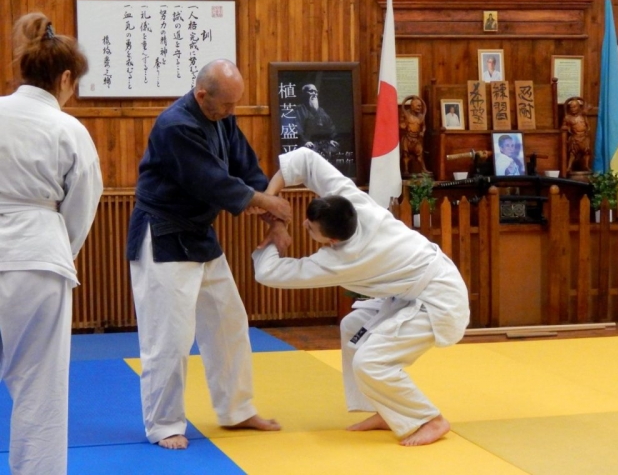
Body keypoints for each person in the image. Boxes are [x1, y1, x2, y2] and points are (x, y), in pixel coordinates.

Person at [252, 147, 470, 447]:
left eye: (311, 230)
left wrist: (274, 234)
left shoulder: (341, 261)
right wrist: (271, 199)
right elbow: (304, 158)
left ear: (332, 241)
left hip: (438, 302)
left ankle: (428, 419)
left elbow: (269, 273)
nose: (305, 226)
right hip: (413, 290)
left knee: (371, 362)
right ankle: (388, 410)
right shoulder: (351, 201)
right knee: (353, 326)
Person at [126, 59, 292, 450]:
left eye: (236, 105)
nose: (232, 113)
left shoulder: (222, 118)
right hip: (163, 234)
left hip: (199, 233)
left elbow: (246, 167)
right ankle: (164, 423)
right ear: (202, 95)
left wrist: (274, 216)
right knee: (169, 336)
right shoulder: (175, 125)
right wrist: (267, 202)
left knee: (228, 321)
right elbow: (212, 182)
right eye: (227, 105)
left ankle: (236, 410)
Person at [0, 12, 103, 474]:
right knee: (40, 390)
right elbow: (83, 202)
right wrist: (64, 250)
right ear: (64, 78)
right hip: (39, 258)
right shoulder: (68, 130)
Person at [294, 83, 339, 159]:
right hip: (307, 144)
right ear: (304, 94)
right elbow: (297, 127)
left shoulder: (321, 111)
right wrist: (305, 141)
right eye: (311, 91)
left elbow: (330, 126)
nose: (314, 94)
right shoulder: (298, 110)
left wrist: (332, 139)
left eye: (316, 92)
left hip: (323, 145)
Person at [399, 95, 428, 175]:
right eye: (418, 105)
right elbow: (401, 124)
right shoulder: (406, 114)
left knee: (420, 156)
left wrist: (422, 131)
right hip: (407, 138)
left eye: (420, 106)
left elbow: (424, 126)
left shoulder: (421, 116)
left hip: (416, 139)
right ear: (412, 106)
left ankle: (423, 170)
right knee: (406, 155)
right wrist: (403, 125)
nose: (419, 107)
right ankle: (406, 170)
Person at [561, 97, 591, 172]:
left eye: (575, 107)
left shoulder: (583, 115)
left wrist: (587, 109)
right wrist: (565, 127)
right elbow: (563, 126)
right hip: (575, 137)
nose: (573, 109)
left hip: (584, 137)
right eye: (571, 107)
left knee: (587, 152)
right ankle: (569, 167)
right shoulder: (568, 117)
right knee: (572, 153)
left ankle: (586, 166)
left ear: (578, 107)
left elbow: (590, 106)